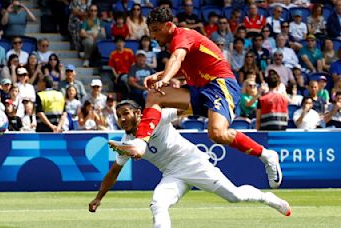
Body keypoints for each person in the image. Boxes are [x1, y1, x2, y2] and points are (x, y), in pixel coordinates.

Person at [108, 7, 283, 189]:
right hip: (199, 90)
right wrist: (160, 76)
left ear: (169, 26)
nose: (153, 35)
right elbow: (187, 67)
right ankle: (140, 143)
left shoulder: (182, 37)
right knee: (154, 95)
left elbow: (177, 58)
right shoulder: (177, 43)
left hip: (220, 85)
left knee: (217, 134)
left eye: (156, 30)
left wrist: (166, 78)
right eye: (150, 30)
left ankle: (266, 155)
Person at [90, 100, 291, 227]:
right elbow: (114, 172)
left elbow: (189, 107)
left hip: (194, 163)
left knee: (235, 196)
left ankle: (268, 198)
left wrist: (214, 110)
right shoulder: (125, 142)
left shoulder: (157, 117)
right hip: (171, 174)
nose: (122, 119)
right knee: (158, 204)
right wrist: (99, 198)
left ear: (139, 113)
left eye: (126, 113)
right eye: (119, 116)